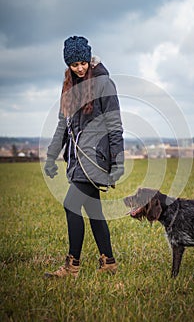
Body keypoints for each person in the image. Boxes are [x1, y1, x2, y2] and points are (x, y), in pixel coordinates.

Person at [44, 36, 124, 277]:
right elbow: (62, 125)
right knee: (94, 211)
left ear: (89, 59)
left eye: (82, 63)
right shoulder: (69, 86)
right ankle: (109, 262)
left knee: (71, 206)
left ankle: (72, 267)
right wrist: (50, 157)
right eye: (73, 64)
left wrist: (118, 161)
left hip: (95, 159)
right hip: (76, 158)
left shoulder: (103, 83)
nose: (79, 68)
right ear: (68, 65)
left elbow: (115, 124)